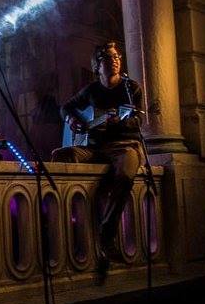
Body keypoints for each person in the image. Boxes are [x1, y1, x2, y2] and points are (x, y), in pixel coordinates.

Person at [51, 40, 144, 283]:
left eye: (117, 57)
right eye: (108, 58)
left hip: (124, 146)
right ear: (97, 65)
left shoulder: (130, 88)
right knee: (60, 155)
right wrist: (72, 120)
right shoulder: (91, 90)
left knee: (124, 174)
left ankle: (106, 233)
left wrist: (120, 122)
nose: (114, 61)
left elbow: (138, 122)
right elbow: (65, 108)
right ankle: (65, 228)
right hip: (95, 149)